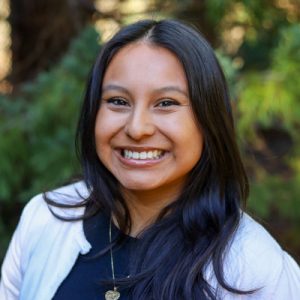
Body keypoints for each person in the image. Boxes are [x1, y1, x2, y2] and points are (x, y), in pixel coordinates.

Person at [0, 19, 299, 300]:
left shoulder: (257, 270)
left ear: (208, 120)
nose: (136, 128)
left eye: (166, 103)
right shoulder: (44, 219)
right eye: (118, 101)